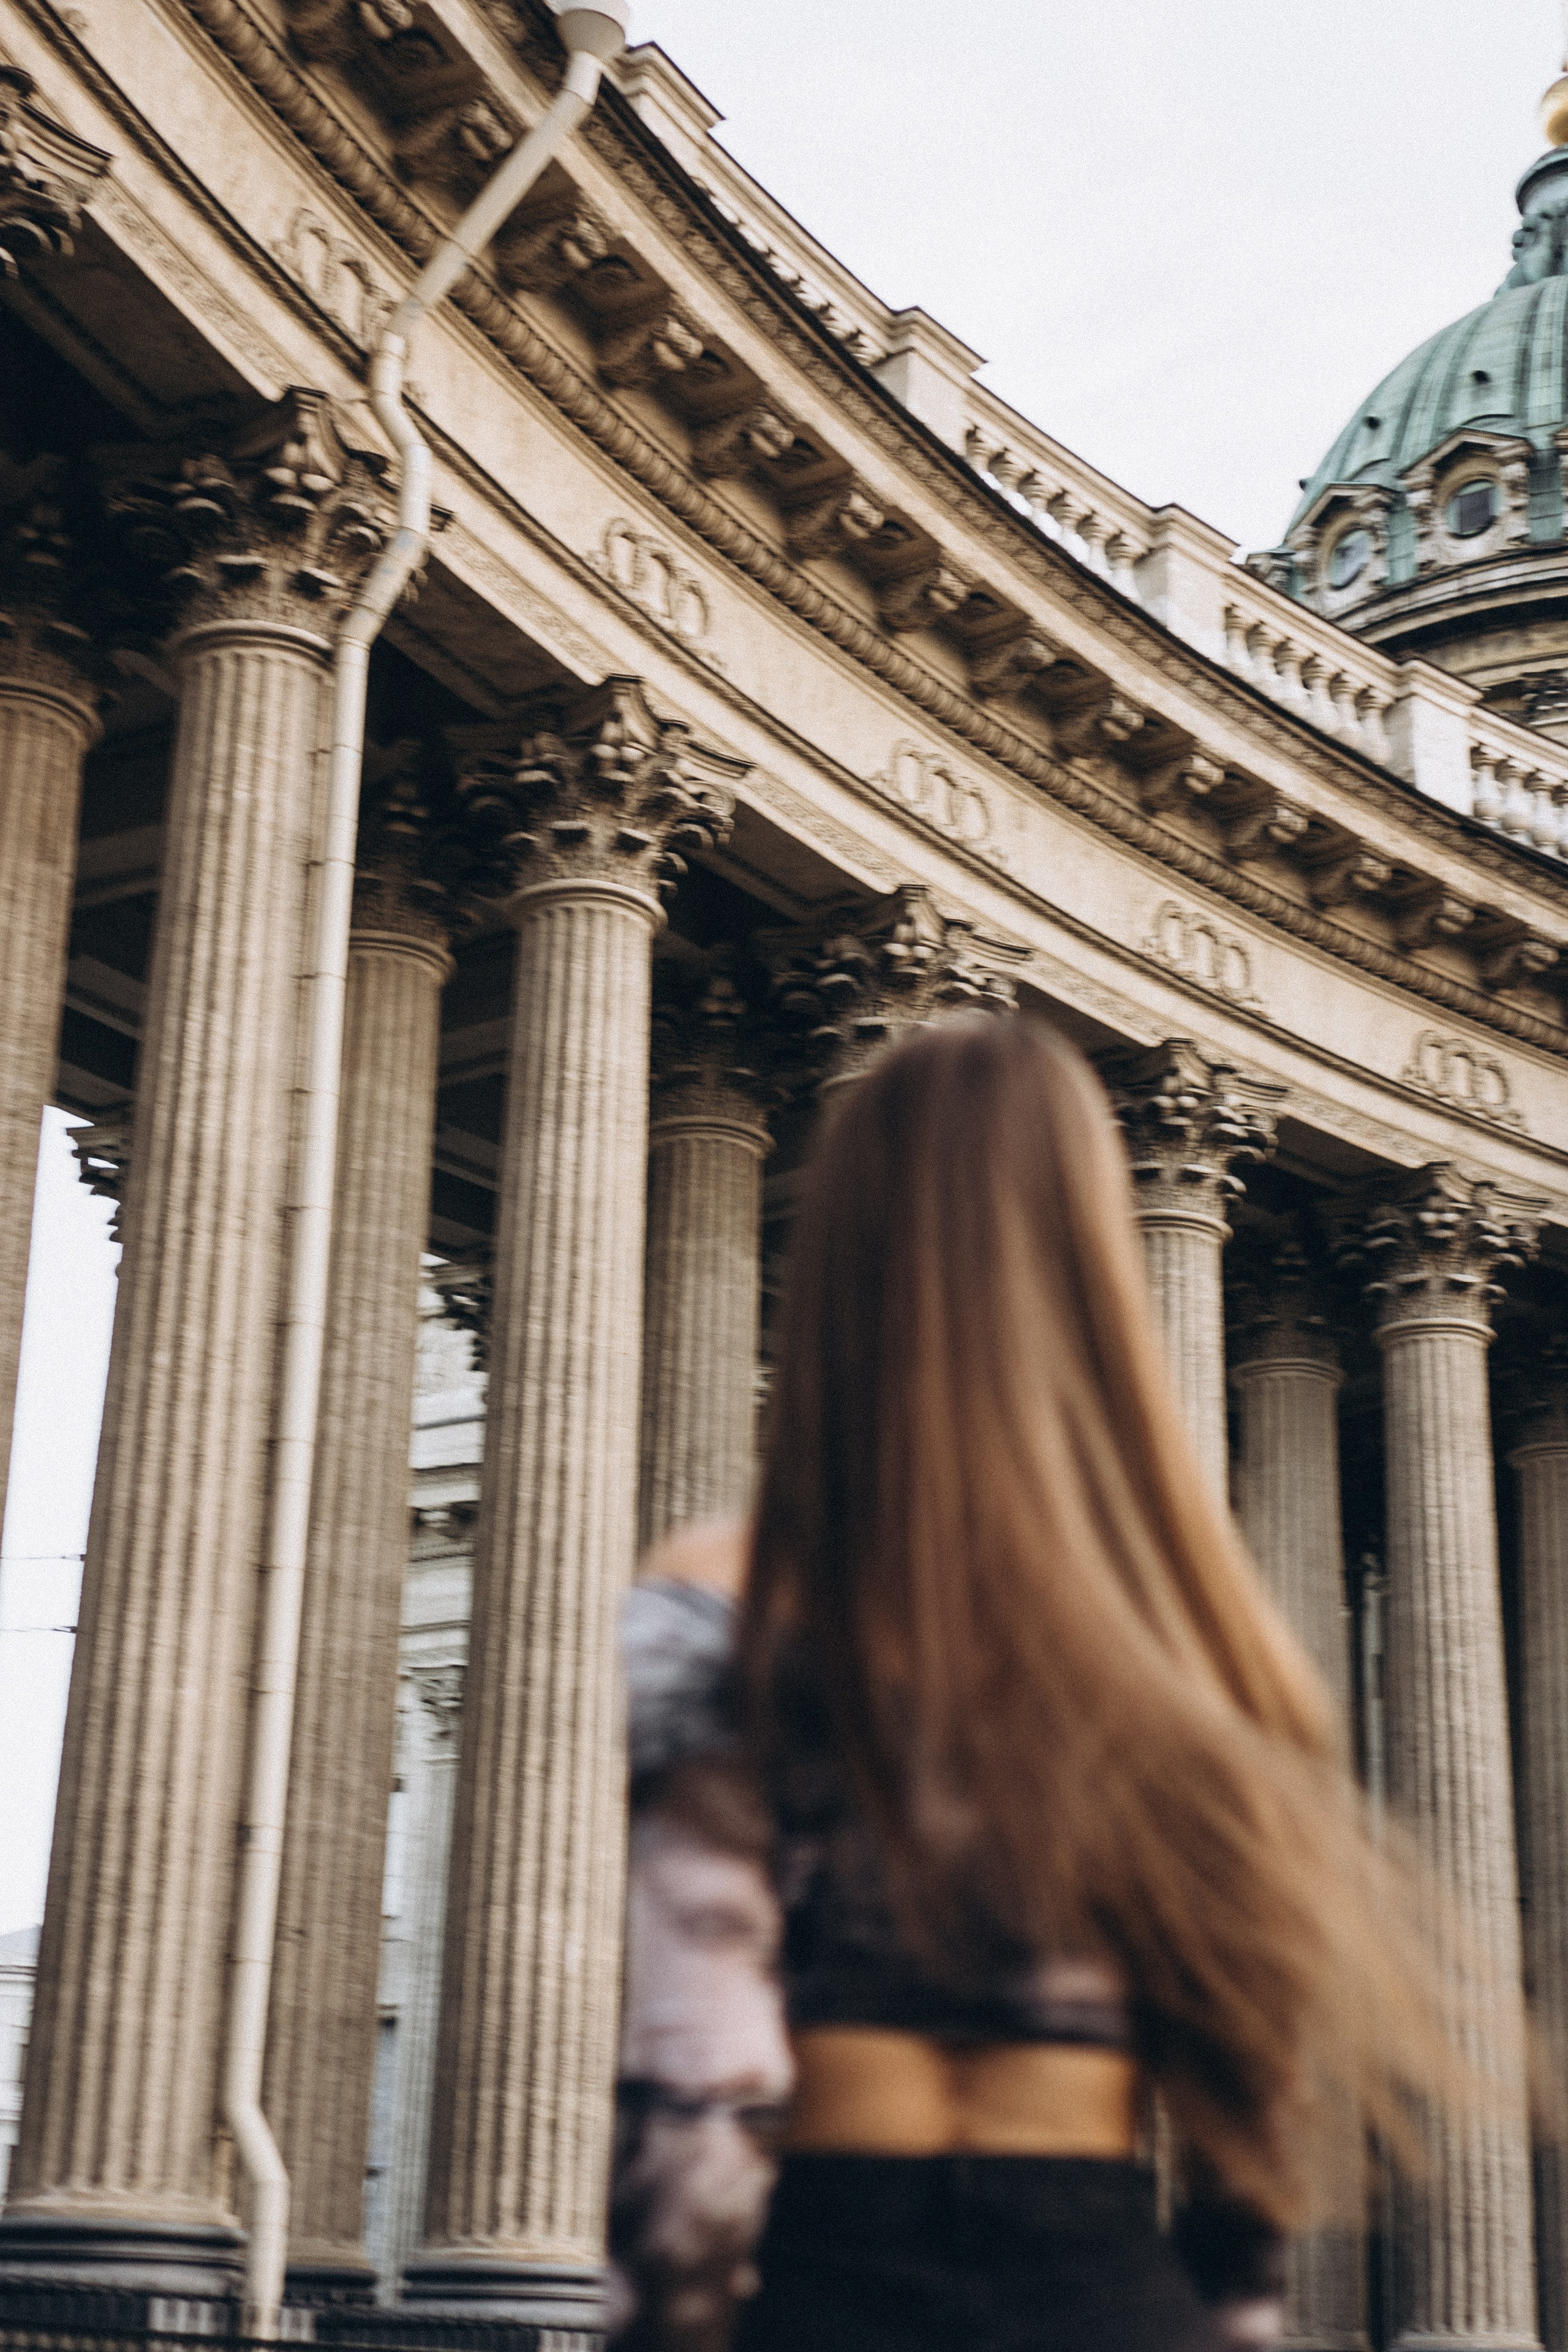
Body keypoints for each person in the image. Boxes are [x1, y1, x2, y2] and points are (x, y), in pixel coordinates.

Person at [698, 1014, 1471, 2352]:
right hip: (1110, 2292)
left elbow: (685, 2066)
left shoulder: (726, 1590)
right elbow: (1253, 2119)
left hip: (828, 2273)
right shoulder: (1202, 1636)